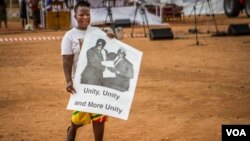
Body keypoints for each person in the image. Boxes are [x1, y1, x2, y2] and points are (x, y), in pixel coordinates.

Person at [61, 1, 114, 141]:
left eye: (88, 14)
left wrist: (111, 38)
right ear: (75, 16)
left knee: (99, 115)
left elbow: (110, 50)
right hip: (80, 82)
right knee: (80, 115)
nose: (85, 17)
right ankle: (72, 129)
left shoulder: (97, 32)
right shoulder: (69, 36)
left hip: (98, 81)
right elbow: (67, 60)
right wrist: (68, 81)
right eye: (81, 14)